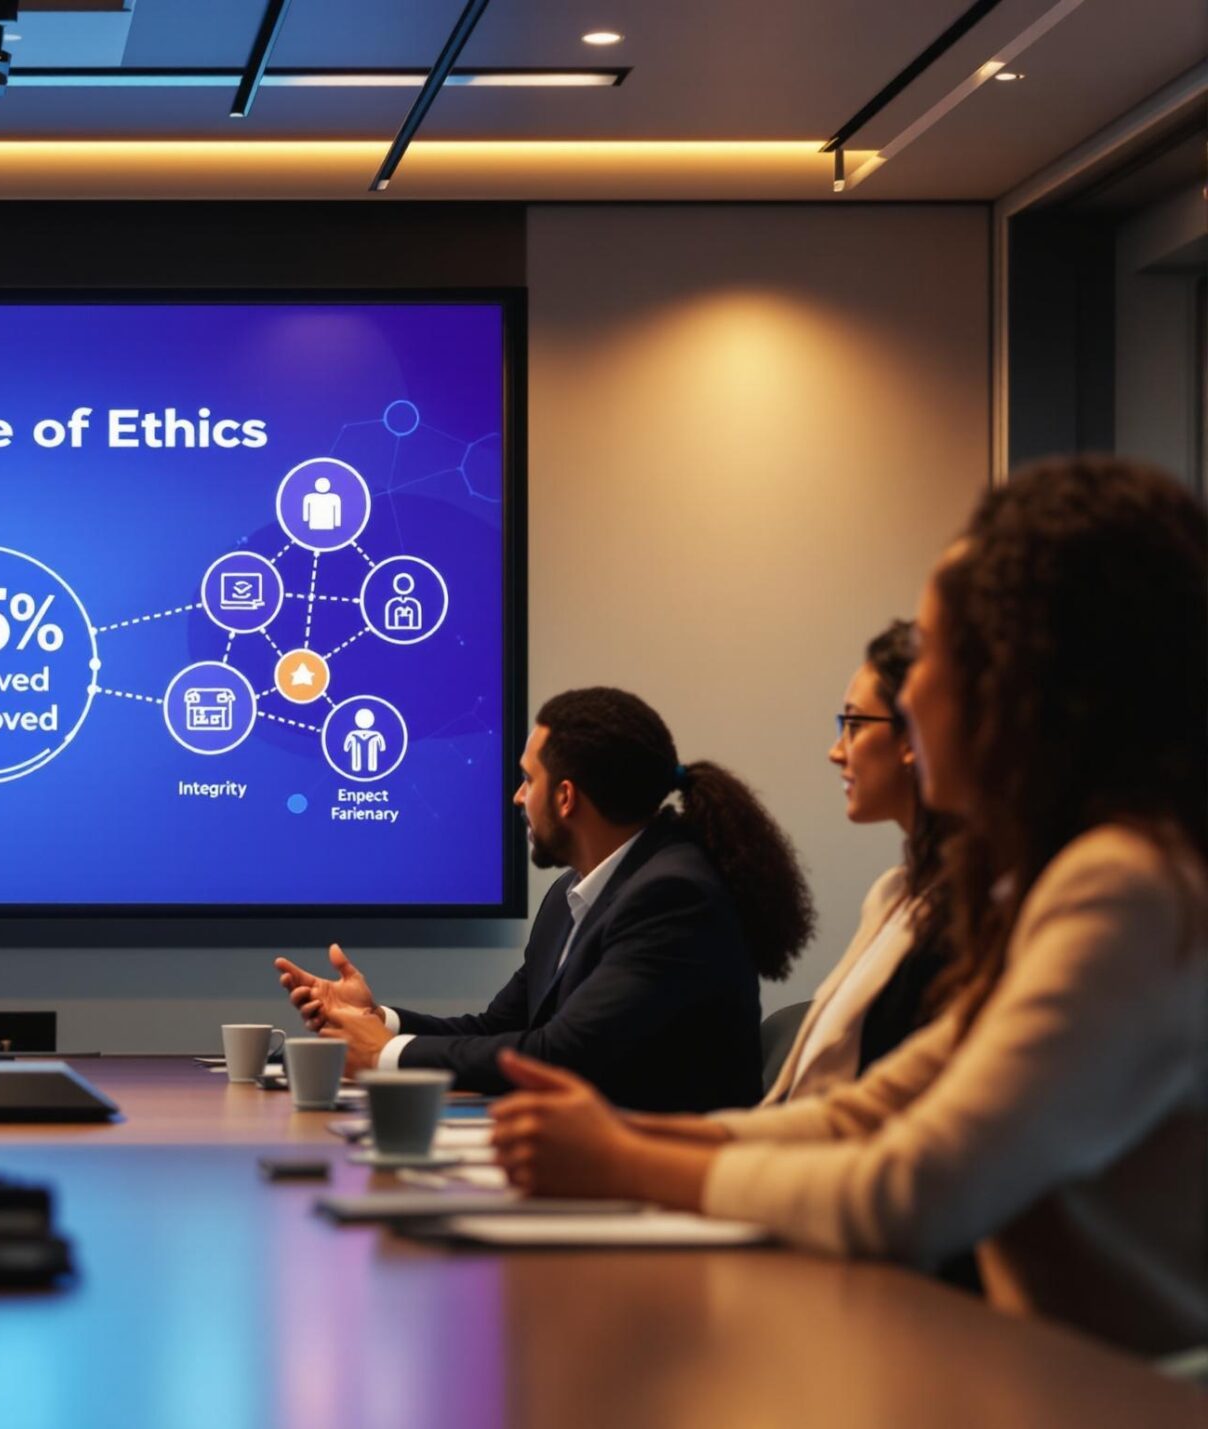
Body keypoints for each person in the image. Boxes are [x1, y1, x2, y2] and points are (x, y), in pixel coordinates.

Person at [488, 457, 1206, 1358]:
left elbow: (911, 1190)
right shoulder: (1061, 882)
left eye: (932, 654)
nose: (909, 695)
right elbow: (866, 1114)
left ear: (1019, 682)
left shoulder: (1124, 889)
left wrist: (624, 1161)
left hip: (1099, 1395)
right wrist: (620, 1136)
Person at [277, 687, 813, 1112]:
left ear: (565, 797)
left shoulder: (673, 896)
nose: (517, 797)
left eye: (527, 779)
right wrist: (378, 1019)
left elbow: (564, 1055)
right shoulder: (574, 894)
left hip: (663, 1184)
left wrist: (383, 1052)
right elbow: (502, 1029)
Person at [757, 620, 953, 1103]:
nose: (835, 751)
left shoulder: (964, 913)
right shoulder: (895, 892)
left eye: (855, 724)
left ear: (914, 735)